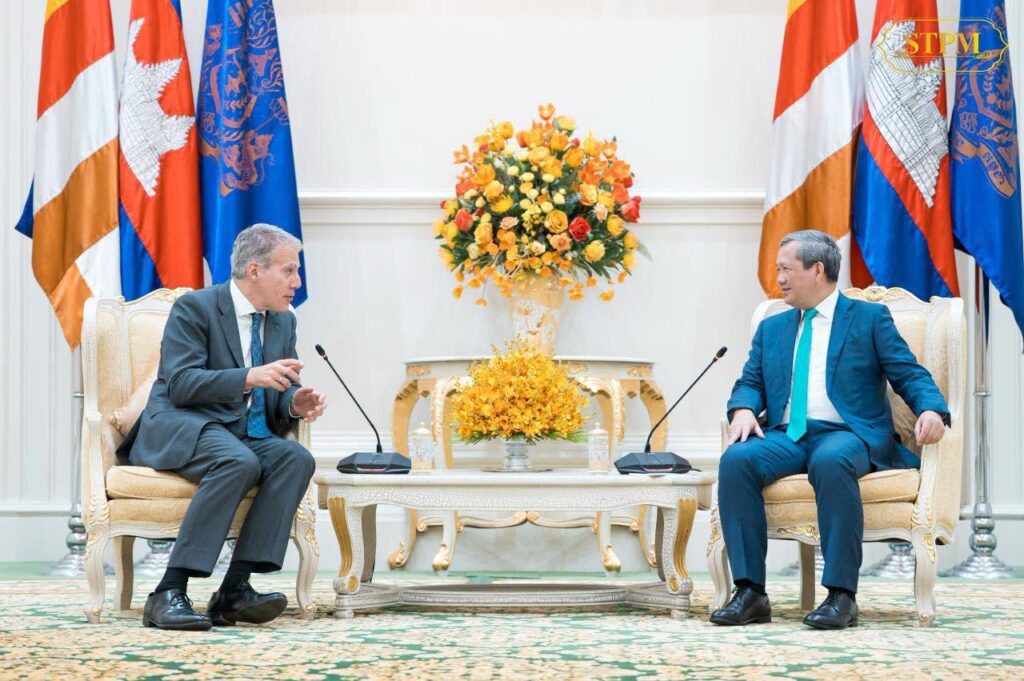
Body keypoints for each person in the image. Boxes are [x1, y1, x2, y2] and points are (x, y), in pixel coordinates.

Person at [711, 230, 949, 629]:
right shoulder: (773, 327)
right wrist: (744, 409)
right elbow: (750, 381)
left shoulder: (869, 319)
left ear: (817, 269)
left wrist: (931, 409)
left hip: (848, 434)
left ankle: (841, 596)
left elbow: (908, 373)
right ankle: (750, 592)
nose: (779, 279)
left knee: (831, 459)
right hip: (787, 436)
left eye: (786, 269)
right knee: (737, 460)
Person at [116, 224, 327, 630]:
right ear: (255, 270)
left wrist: (294, 403)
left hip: (239, 432)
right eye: (289, 271)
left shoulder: (283, 322)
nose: (297, 283)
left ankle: (234, 591)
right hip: (182, 423)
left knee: (295, 458)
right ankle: (167, 592)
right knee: (238, 461)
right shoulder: (195, 308)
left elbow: (278, 389)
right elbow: (181, 384)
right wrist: (248, 377)